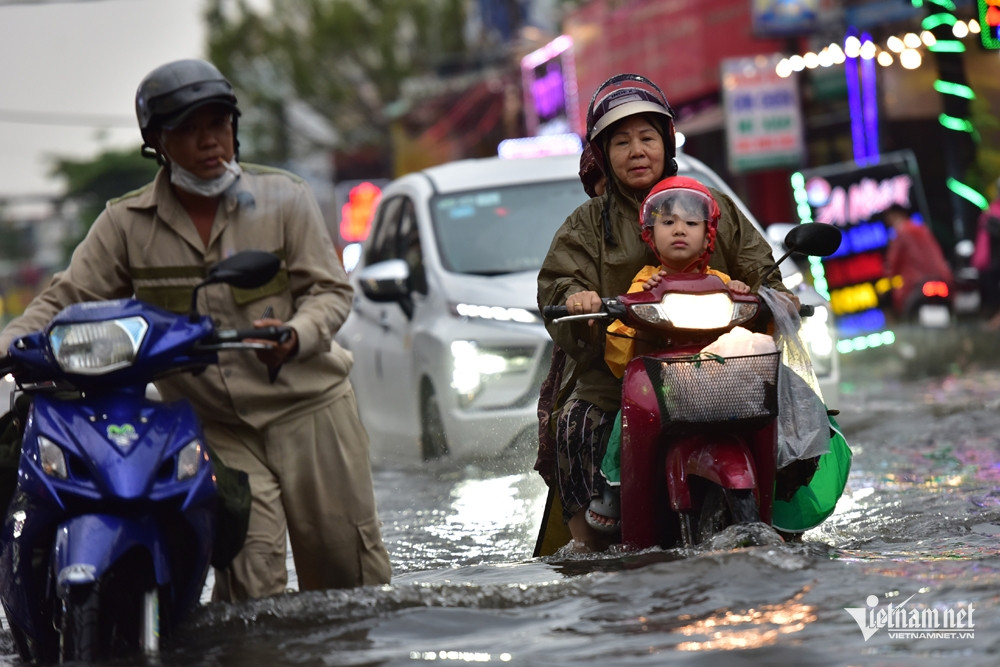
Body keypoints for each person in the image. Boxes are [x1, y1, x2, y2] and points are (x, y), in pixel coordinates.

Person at [0, 59, 392, 601]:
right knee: (249, 584)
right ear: (157, 143)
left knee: (349, 576)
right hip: (217, 426)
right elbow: (64, 300)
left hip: (311, 410)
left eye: (219, 125)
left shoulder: (286, 198)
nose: (210, 142)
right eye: (189, 130)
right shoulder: (124, 224)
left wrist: (297, 333)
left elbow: (330, 291)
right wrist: (9, 345)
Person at [536, 73, 791, 553]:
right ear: (602, 154)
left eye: (647, 137)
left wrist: (773, 291)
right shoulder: (588, 224)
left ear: (666, 143)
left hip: (716, 366)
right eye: (622, 141)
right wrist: (579, 299)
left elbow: (757, 264)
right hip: (616, 371)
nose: (636, 151)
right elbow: (559, 280)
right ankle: (588, 543)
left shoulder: (712, 206)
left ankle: (783, 508)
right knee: (576, 422)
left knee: (789, 413)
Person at [586, 175, 750, 531]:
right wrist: (635, 302)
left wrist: (740, 291)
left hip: (713, 381)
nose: (680, 230)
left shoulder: (721, 280)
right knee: (626, 414)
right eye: (668, 222)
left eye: (692, 223)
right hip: (660, 385)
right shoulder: (644, 281)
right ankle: (615, 483)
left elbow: (745, 324)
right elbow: (619, 344)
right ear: (650, 232)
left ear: (708, 233)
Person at [880, 203, 954, 320]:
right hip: (942, 279)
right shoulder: (922, 228)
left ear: (895, 215)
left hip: (915, 284)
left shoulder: (901, 232)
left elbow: (892, 263)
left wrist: (886, 285)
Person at [972, 179, 1000, 330]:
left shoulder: (990, 210)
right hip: (990, 261)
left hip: (988, 261)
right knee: (992, 293)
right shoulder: (992, 211)